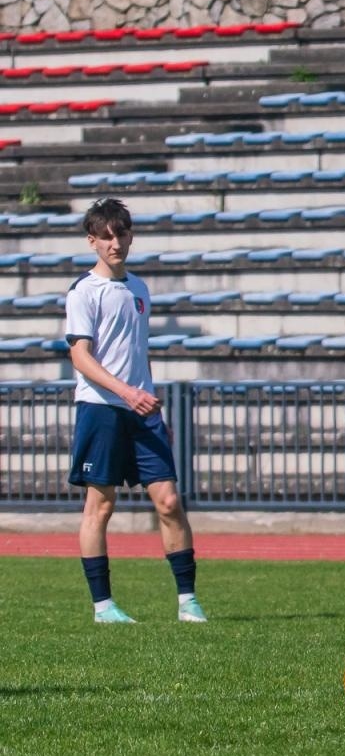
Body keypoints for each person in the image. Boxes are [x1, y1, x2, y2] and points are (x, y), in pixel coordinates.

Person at [65, 198, 206, 625]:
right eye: (106, 236)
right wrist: (127, 393)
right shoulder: (83, 291)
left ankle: (188, 602)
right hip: (102, 408)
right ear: (92, 241)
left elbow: (136, 355)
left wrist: (149, 402)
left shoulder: (139, 289)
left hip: (141, 410)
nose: (115, 243)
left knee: (168, 502)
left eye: (121, 233)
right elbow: (80, 357)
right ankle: (103, 607)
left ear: (130, 235)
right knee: (100, 506)